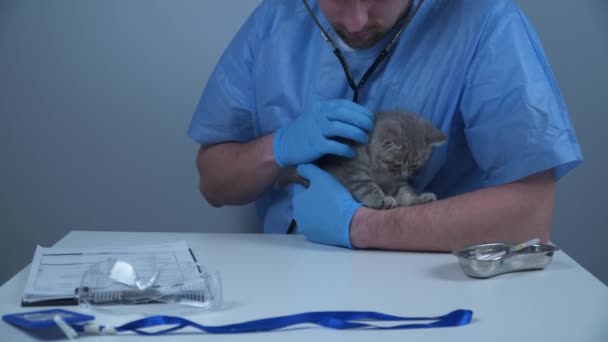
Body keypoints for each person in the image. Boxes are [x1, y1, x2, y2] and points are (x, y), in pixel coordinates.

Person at [188, 0, 583, 251]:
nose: (358, 21)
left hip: (435, 285)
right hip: (289, 278)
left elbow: (528, 217)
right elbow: (214, 183)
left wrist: (360, 226)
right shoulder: (275, 22)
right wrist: (276, 147)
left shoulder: (485, 23)